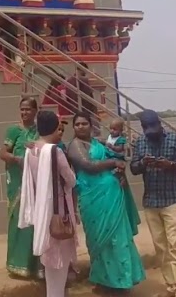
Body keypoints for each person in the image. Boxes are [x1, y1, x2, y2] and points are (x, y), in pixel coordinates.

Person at [64, 113, 146, 291]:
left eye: (84, 123)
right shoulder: (74, 146)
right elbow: (89, 166)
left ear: (91, 125)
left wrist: (121, 175)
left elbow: (119, 162)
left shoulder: (98, 143)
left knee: (119, 237)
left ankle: (122, 281)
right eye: (77, 124)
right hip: (92, 198)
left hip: (112, 196)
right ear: (73, 127)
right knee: (99, 239)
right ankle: (104, 281)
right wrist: (113, 162)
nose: (80, 127)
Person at [129, 110, 176, 297]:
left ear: (160, 124)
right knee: (160, 246)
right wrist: (143, 162)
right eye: (147, 130)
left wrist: (172, 165)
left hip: (172, 199)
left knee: (175, 243)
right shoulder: (140, 142)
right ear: (143, 128)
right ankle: (171, 285)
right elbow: (133, 168)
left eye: (154, 128)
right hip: (151, 201)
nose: (152, 133)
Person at [16, 110, 80, 297]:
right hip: (58, 213)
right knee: (58, 264)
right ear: (55, 127)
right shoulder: (55, 151)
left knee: (50, 263)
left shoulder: (31, 150)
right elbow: (71, 180)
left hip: (41, 212)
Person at [0, 96, 41, 279]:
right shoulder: (13, 130)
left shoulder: (40, 132)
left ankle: (36, 266)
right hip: (17, 182)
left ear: (35, 111)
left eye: (28, 109)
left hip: (36, 181)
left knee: (35, 221)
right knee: (19, 219)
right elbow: (2, 153)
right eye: (22, 109)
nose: (24, 113)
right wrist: (17, 159)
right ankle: (17, 264)